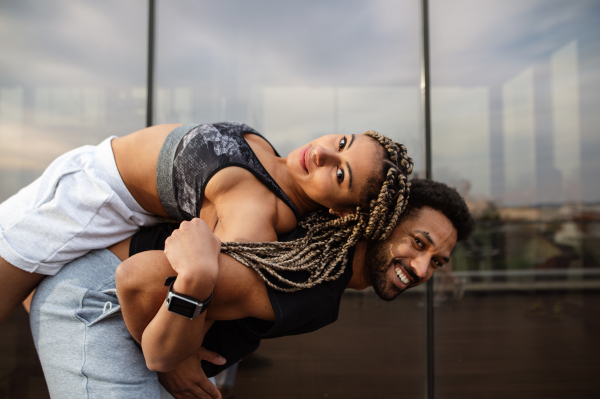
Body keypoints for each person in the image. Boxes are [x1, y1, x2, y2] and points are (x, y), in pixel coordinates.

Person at [29, 179, 475, 399]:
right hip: (95, 303)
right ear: (383, 223)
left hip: (99, 288)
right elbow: (140, 278)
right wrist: (172, 359)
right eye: (418, 244)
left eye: (436, 262)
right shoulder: (315, 285)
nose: (421, 269)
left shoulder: (320, 247)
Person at [0, 122, 413, 323]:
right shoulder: (274, 162)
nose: (323, 155)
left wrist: (173, 360)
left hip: (83, 203)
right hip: (88, 176)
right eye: (342, 144)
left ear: (341, 212)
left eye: (340, 175)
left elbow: (192, 299)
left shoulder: (253, 215)